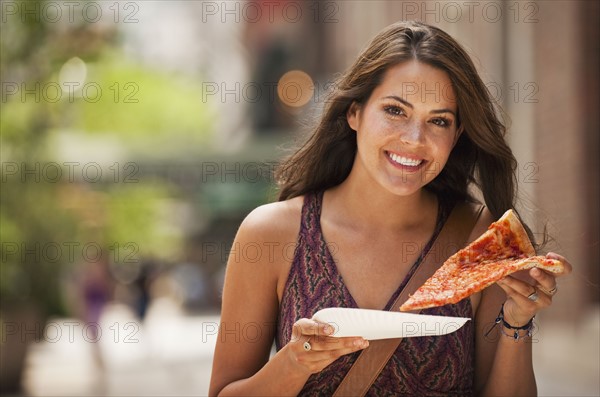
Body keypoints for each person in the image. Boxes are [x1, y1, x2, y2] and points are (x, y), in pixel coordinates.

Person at [208, 21, 572, 396]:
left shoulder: (480, 237)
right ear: (355, 113)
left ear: (457, 135)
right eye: (396, 111)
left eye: (438, 120)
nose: (415, 140)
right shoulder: (271, 234)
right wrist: (295, 362)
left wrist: (516, 323)